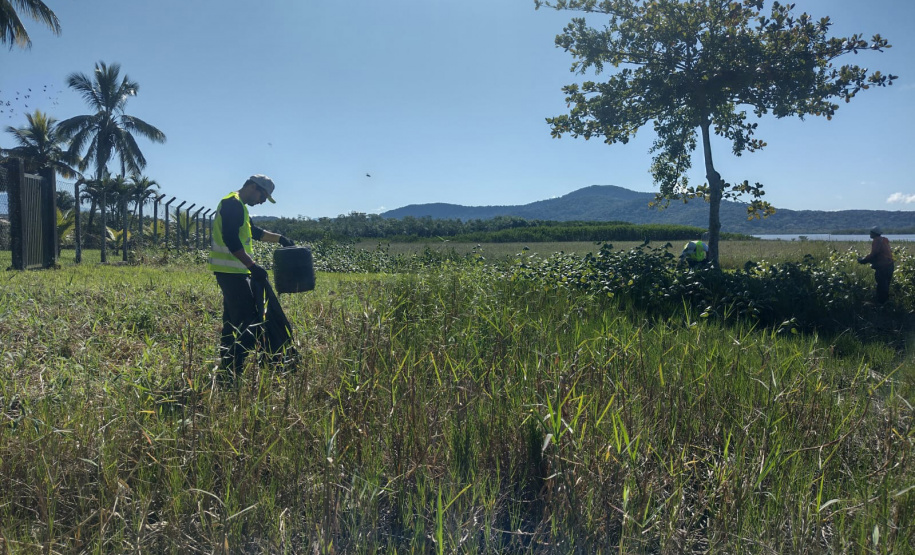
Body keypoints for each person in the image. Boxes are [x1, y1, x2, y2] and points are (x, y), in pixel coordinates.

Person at [209, 174, 296, 376]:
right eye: (263, 196)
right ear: (253, 187)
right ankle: (233, 369)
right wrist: (252, 265)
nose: (262, 201)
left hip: (236, 272)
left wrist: (281, 239)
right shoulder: (233, 204)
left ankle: (228, 367)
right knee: (248, 323)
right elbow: (230, 239)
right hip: (232, 273)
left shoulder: (240, 206)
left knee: (231, 321)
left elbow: (254, 232)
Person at [857, 226, 894, 304]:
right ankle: (886, 304)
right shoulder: (884, 240)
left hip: (883, 267)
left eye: (871, 232)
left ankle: (881, 305)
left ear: (874, 233)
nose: (870, 234)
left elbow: (874, 253)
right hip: (890, 265)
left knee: (881, 287)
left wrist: (863, 260)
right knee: (886, 286)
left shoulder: (876, 240)